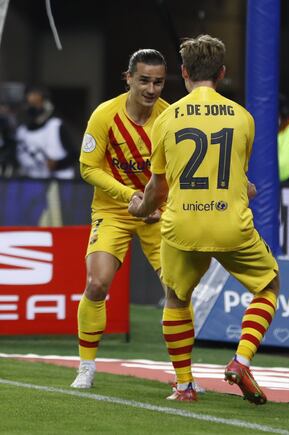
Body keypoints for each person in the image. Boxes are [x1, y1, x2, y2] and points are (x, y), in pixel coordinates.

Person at [128, 34, 280, 404]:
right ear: (223, 73)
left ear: (183, 73)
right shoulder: (243, 118)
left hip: (182, 226)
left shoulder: (166, 119)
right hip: (231, 225)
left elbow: (157, 188)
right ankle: (241, 360)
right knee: (268, 287)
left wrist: (141, 210)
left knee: (176, 299)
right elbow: (238, 180)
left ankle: (184, 386)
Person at [70, 49, 169, 389]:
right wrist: (131, 196)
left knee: (178, 292)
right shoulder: (104, 115)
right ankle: (86, 366)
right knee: (97, 284)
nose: (151, 89)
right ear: (128, 78)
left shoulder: (169, 117)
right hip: (114, 211)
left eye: (158, 82)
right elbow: (88, 168)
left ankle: (184, 379)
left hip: (158, 212)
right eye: (144, 80)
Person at [15, 86, 77, 179]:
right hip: (30, 184)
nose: (33, 107)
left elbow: (74, 154)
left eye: (37, 103)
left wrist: (57, 164)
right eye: (30, 103)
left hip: (59, 184)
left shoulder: (56, 126)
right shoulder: (22, 132)